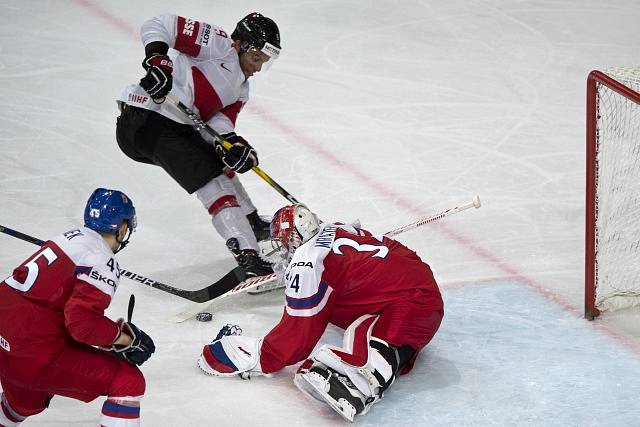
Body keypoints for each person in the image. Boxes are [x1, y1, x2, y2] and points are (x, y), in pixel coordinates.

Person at [197, 204, 445, 422]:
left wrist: (257, 357)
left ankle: (363, 378)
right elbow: (362, 237)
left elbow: (298, 335)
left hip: (414, 305)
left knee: (377, 353)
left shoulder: (308, 264)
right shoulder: (335, 228)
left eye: (282, 243)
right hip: (417, 278)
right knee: (360, 321)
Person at [115, 12, 282, 278]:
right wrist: (158, 61)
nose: (258, 67)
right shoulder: (217, 44)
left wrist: (233, 145)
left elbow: (218, 125)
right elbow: (160, 25)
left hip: (175, 127)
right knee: (212, 182)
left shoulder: (241, 89)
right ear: (239, 44)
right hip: (146, 120)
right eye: (256, 58)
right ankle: (248, 256)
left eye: (265, 61)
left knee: (219, 165)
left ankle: (250, 222)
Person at [0, 189, 155, 427]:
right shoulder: (102, 259)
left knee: (25, 402)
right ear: (122, 228)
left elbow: (53, 306)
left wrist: (114, 334)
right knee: (127, 381)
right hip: (33, 350)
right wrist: (125, 340)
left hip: (6, 343)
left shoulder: (67, 238)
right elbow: (82, 325)